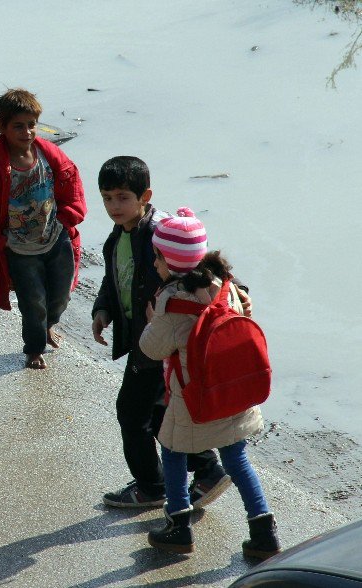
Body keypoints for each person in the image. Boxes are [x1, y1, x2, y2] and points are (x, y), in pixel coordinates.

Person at [139, 208, 280, 559]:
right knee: (237, 458)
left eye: (156, 257)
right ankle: (263, 531)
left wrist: (151, 318)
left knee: (172, 452)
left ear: (168, 262)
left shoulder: (172, 301)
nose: (154, 264)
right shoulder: (225, 286)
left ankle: (179, 526)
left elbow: (151, 348)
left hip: (193, 397)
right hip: (233, 392)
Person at [92, 156, 231, 508]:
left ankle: (153, 485)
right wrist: (103, 309)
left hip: (158, 342)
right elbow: (115, 277)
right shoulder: (119, 234)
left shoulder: (161, 236)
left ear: (145, 196)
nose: (113, 206)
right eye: (107, 197)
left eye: (123, 197)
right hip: (147, 340)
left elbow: (189, 277)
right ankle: (205, 470)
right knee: (158, 412)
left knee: (131, 412)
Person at [0, 88, 86, 369]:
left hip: (55, 237)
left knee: (61, 293)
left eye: (31, 125)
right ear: (1, 128)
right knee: (33, 301)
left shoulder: (49, 154)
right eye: (18, 126)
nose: (27, 132)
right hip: (19, 247)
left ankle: (48, 326)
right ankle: (34, 348)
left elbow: (72, 182)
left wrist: (67, 218)